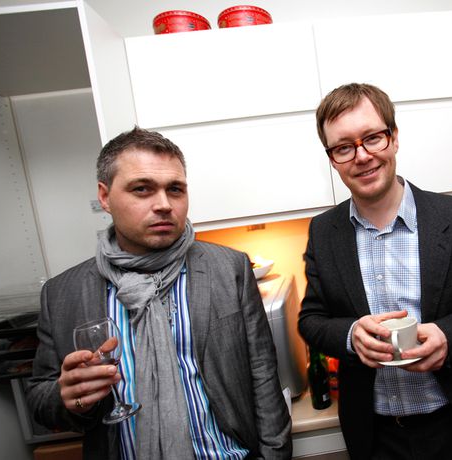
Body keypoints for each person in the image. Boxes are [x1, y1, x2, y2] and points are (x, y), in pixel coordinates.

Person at [26, 127, 292, 459]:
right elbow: (40, 399)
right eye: (142, 189)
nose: (164, 205)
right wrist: (70, 397)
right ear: (105, 197)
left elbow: (263, 376)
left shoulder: (229, 268)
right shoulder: (62, 294)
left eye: (175, 189)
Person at [298, 83, 452, 459]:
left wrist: (449, 337)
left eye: (373, 138)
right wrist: (351, 335)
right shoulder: (324, 233)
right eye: (344, 147)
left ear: (394, 137)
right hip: (376, 438)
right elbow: (311, 320)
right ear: (332, 159)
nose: (362, 156)